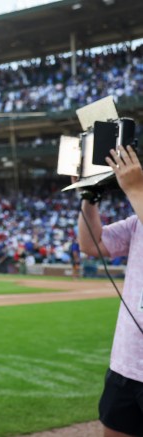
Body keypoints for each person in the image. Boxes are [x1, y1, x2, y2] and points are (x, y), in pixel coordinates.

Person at [77, 144, 143, 437]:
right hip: (126, 365)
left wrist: (135, 189)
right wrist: (90, 197)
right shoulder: (137, 221)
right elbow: (92, 245)